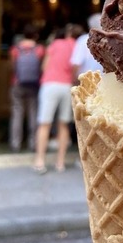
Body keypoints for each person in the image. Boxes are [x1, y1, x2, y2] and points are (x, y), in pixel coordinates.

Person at [33, 23, 84, 174]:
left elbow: (44, 66)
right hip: (67, 86)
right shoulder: (77, 45)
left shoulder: (55, 43)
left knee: (44, 124)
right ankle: (60, 163)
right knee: (64, 125)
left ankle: (40, 161)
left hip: (50, 85)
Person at [9, 25, 45, 152]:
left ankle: (15, 143)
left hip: (18, 83)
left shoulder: (15, 49)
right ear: (35, 35)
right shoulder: (39, 49)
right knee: (33, 112)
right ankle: (32, 143)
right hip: (34, 84)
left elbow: (13, 67)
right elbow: (41, 68)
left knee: (17, 112)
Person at [70, 13, 104, 82]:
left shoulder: (83, 40)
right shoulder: (110, 40)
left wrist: (73, 81)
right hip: (106, 82)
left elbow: (76, 63)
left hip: (88, 83)